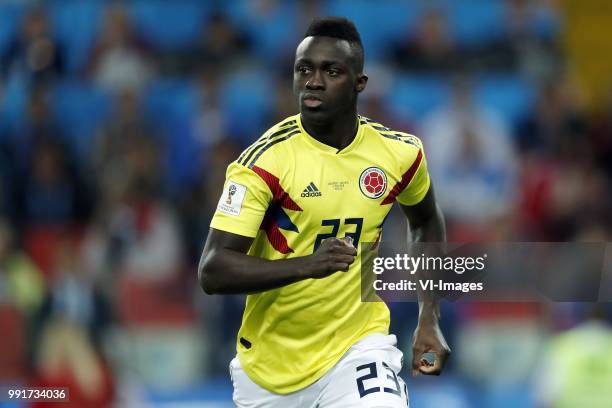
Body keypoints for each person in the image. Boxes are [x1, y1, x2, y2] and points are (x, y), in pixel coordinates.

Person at [198, 17, 450, 407]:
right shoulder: (263, 163)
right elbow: (213, 269)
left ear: (358, 83)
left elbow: (426, 222)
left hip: (359, 347)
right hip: (271, 370)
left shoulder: (400, 154)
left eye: (331, 71)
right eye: (304, 70)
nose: (313, 81)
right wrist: (307, 265)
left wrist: (429, 318)